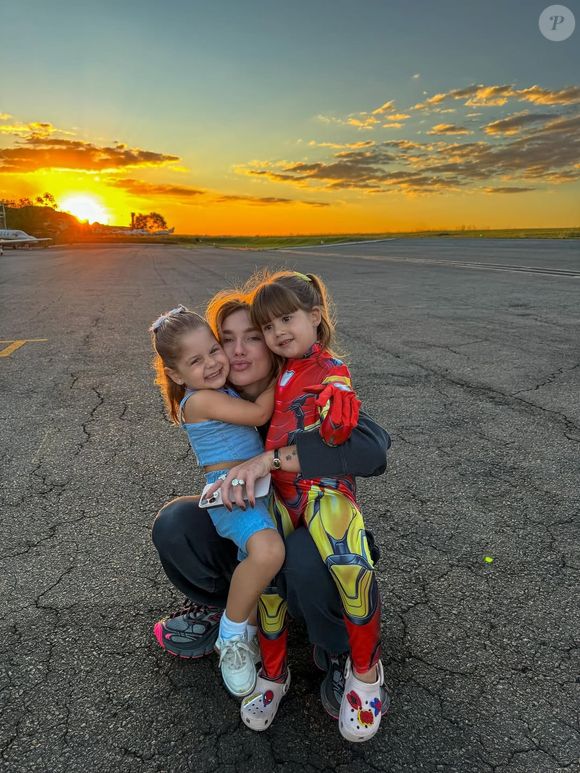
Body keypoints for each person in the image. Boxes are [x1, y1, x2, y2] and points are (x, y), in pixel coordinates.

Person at [151, 287, 391, 730]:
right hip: (259, 522)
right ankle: (228, 615)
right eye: (226, 338)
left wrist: (274, 458)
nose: (237, 351)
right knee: (177, 521)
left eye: (253, 336)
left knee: (300, 552)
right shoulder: (222, 399)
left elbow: (373, 450)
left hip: (311, 531)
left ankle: (340, 648)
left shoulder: (304, 386)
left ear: (273, 341)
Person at [218, 270, 383, 742]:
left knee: (349, 566)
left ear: (315, 317)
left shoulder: (331, 370)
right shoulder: (280, 373)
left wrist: (339, 399)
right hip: (277, 493)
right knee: (264, 576)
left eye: (287, 319)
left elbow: (346, 437)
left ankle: (365, 673)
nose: (278, 333)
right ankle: (273, 674)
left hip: (322, 488)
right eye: (268, 327)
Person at [149, 305, 285, 699]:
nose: (211, 363)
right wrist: (286, 372)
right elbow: (261, 410)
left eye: (213, 350)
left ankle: (255, 626)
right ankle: (232, 633)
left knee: (258, 564)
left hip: (255, 488)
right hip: (231, 495)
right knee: (267, 552)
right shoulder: (201, 402)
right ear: (176, 374)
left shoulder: (220, 390)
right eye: (196, 360)